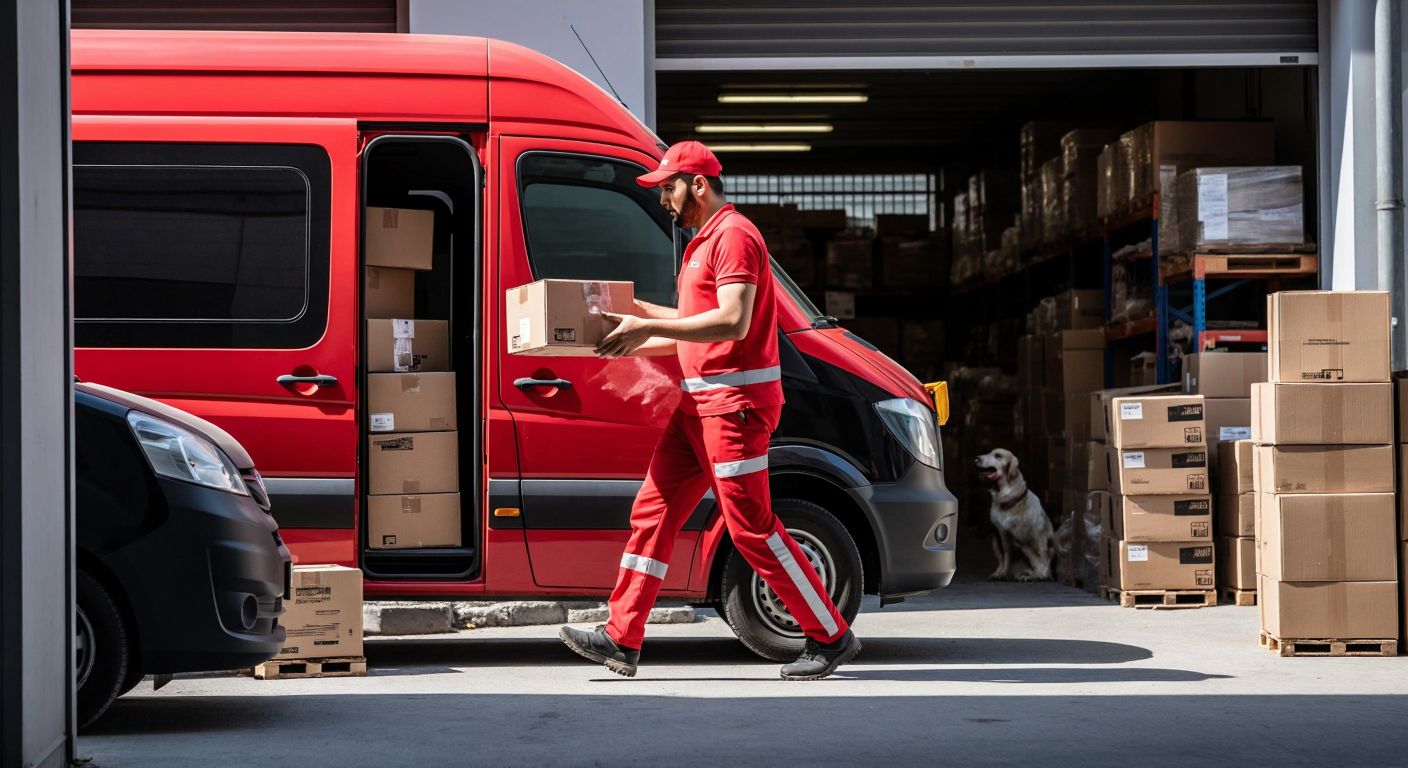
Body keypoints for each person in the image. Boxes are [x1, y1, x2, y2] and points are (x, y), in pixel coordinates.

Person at [558, 141, 861, 681]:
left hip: (734, 409)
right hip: (698, 406)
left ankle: (831, 635)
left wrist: (647, 325)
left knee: (751, 529)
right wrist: (621, 318)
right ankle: (620, 636)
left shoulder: (735, 237)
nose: (664, 201)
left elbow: (733, 321)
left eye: (669, 188)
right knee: (652, 513)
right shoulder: (701, 244)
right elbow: (688, 330)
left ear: (699, 184)